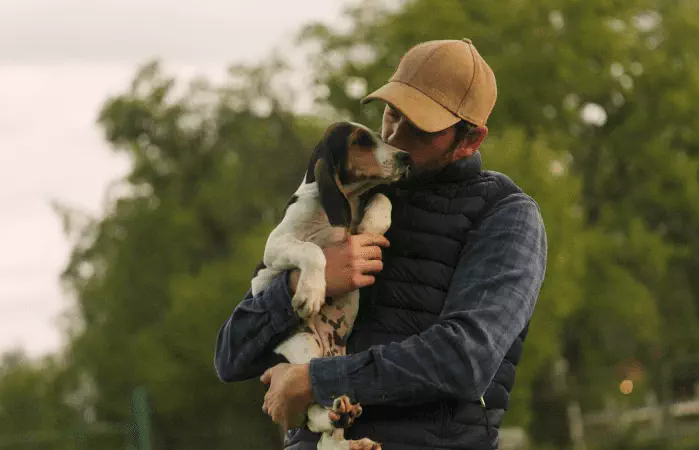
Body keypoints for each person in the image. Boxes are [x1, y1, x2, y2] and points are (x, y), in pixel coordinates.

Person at [214, 38, 548, 450]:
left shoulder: (506, 214)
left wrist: (315, 381)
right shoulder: (346, 197)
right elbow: (230, 356)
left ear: (470, 140)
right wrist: (303, 281)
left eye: (420, 128)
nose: (395, 137)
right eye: (392, 114)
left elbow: (465, 359)